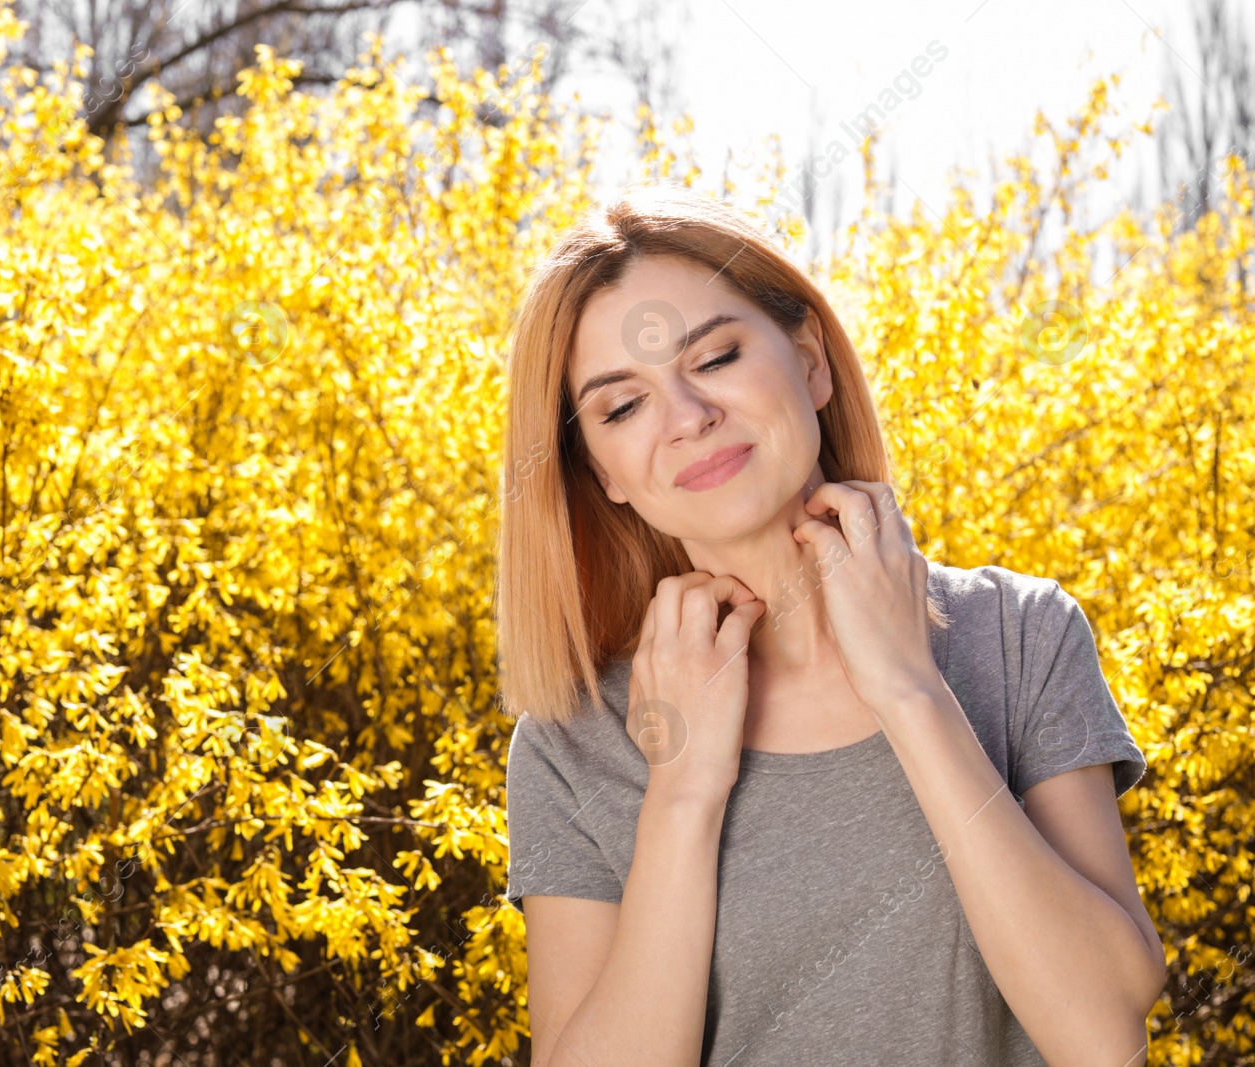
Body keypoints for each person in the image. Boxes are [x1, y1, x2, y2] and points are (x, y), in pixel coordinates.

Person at [495, 181, 1165, 1067]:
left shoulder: (1019, 635)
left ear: (811, 358)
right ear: (604, 472)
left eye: (717, 358)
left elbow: (1101, 1035)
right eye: (623, 406)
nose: (689, 418)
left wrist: (909, 686)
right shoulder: (574, 742)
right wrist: (684, 792)